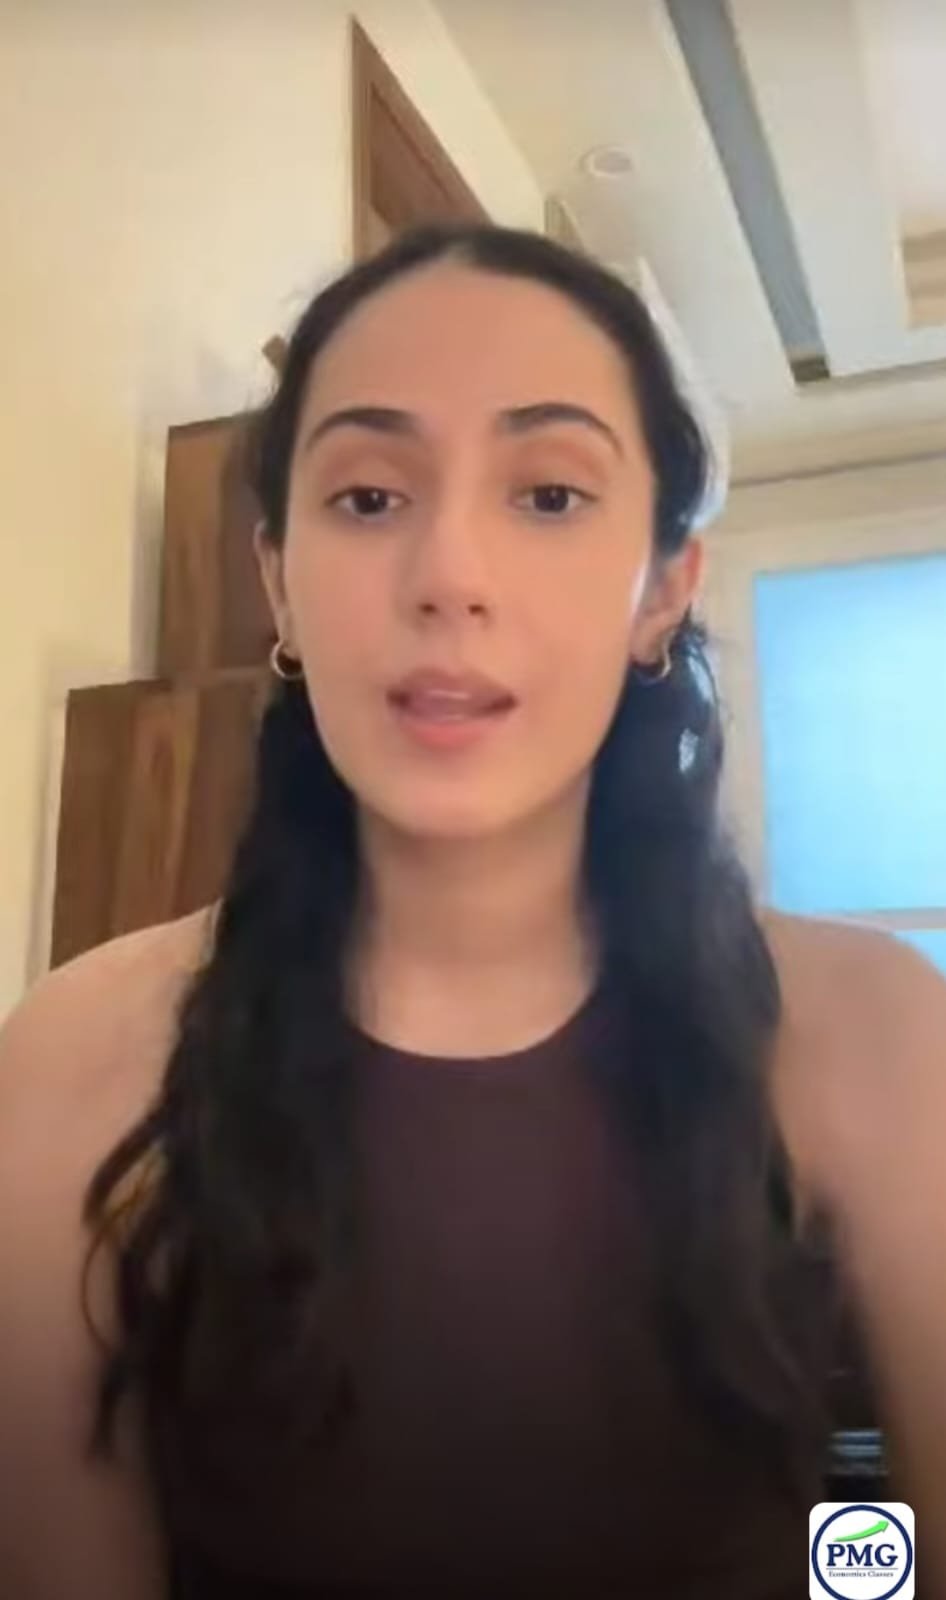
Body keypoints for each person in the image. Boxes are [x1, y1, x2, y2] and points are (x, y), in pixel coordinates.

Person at [1, 224, 944, 1600]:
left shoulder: (878, 1032)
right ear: (278, 583)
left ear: (662, 590)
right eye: (369, 497)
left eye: (549, 495)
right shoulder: (71, 1061)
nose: (449, 573)